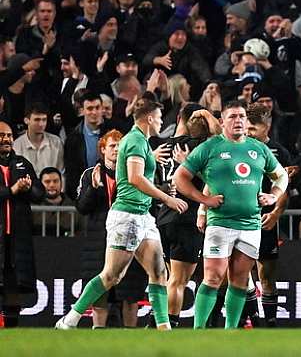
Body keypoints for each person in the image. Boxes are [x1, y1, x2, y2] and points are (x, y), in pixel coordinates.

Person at [56, 100, 188, 330]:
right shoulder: (136, 140)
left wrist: (163, 190)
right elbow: (135, 178)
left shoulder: (142, 142)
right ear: (149, 118)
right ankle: (70, 319)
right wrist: (167, 198)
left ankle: (164, 329)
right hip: (127, 215)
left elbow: (140, 180)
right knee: (111, 276)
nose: (160, 121)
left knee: (158, 272)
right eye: (158, 117)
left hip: (143, 216)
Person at [174, 100, 288, 329]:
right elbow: (180, 177)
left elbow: (281, 176)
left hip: (250, 224)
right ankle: (198, 331)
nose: (238, 121)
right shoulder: (210, 147)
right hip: (220, 223)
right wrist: (204, 201)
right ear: (222, 121)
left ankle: (230, 331)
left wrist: (273, 196)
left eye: (241, 117)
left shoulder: (259, 148)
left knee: (239, 280)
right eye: (232, 117)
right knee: (213, 277)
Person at [153, 104, 220, 328]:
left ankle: (160, 322)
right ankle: (169, 326)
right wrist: (209, 116)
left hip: (163, 218)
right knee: (178, 281)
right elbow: (220, 136)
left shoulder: (164, 146)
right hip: (186, 218)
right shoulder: (202, 148)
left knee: (170, 278)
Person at [74, 129, 147, 328]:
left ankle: (131, 338)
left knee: (131, 297)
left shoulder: (134, 173)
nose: (116, 149)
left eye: (120, 146)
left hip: (129, 238)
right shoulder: (91, 174)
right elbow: (81, 207)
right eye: (112, 146)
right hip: (99, 241)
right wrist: (93, 188)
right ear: (103, 149)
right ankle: (98, 334)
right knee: (100, 297)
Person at [246, 103, 292, 327]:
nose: (249, 133)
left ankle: (271, 323)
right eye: (247, 128)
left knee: (266, 276)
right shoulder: (238, 147)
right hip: (240, 219)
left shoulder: (279, 153)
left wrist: (276, 213)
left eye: (254, 129)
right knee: (241, 273)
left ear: (268, 126)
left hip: (265, 220)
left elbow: (283, 187)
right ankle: (253, 319)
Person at [0, 120, 44, 327]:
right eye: (1, 135)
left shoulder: (22, 163)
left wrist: (28, 188)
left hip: (18, 237)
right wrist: (12, 191)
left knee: (14, 284)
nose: (6, 139)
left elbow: (39, 193)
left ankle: (12, 327)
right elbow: (9, 192)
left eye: (8, 135)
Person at [64, 93, 108, 200]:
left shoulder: (113, 131)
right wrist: (78, 196)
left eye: (97, 108)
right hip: (83, 196)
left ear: (102, 109)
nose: (94, 112)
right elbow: (71, 172)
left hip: (108, 194)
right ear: (82, 111)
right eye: (89, 108)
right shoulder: (72, 139)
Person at [13, 103, 63, 175]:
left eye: (44, 120)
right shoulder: (16, 145)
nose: (41, 124)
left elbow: (61, 173)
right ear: (26, 120)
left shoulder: (56, 142)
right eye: (37, 120)